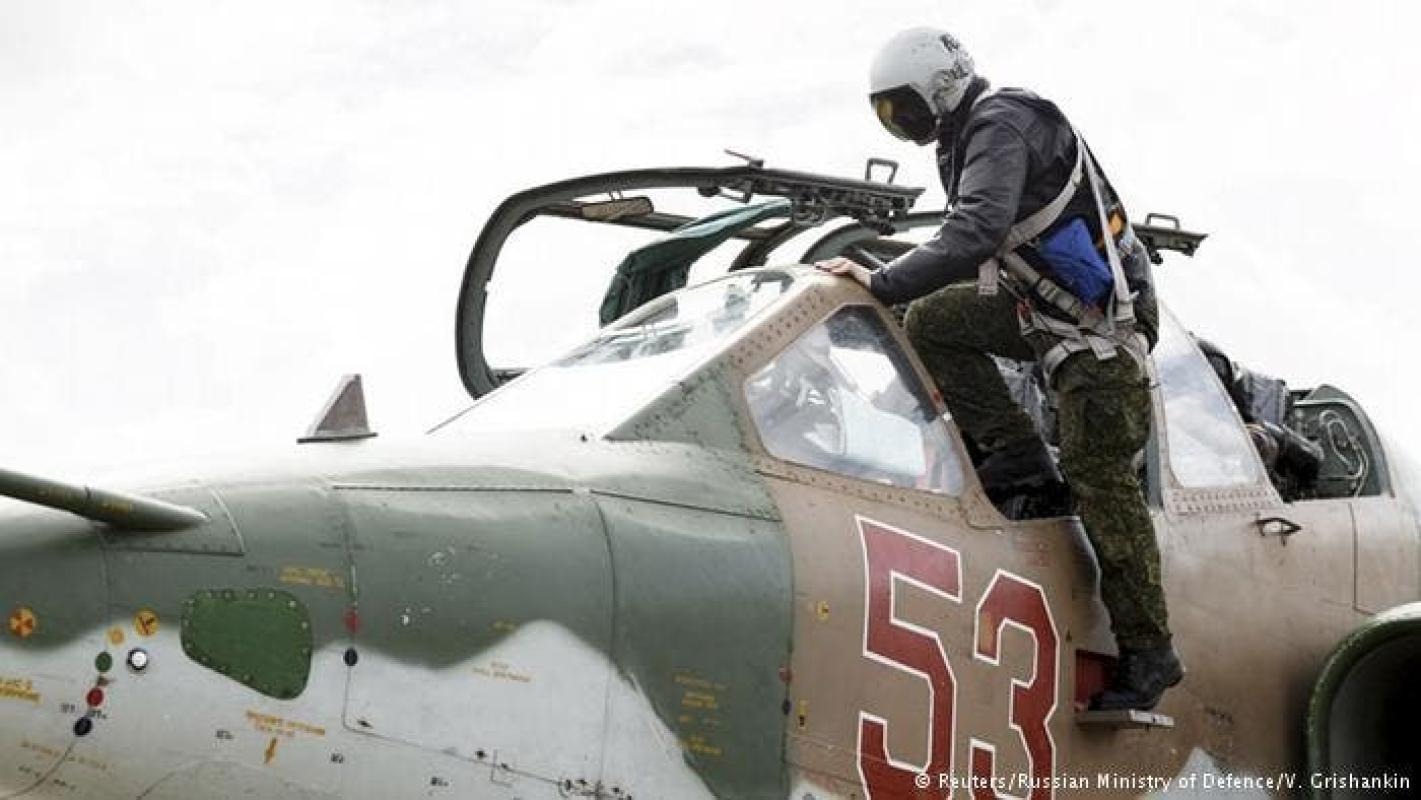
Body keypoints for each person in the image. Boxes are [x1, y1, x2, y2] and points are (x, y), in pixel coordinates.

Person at [817, 27, 1182, 711]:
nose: (902, 124)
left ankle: (1149, 650)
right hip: (1045, 311)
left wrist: (882, 282)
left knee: (1098, 475)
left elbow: (974, 233)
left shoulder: (1001, 125)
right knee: (934, 321)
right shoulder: (967, 138)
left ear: (941, 89)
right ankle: (1019, 458)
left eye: (905, 108)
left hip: (1102, 333)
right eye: (888, 115)